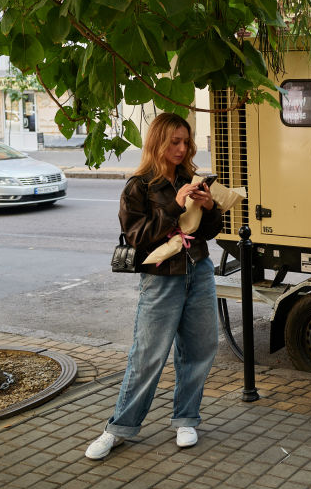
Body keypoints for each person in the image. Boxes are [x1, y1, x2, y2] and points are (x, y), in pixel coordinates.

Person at [85, 112, 222, 460]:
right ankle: (118, 428)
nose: (182, 147)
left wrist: (210, 208)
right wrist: (174, 209)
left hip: (199, 271)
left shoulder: (193, 178)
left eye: (185, 141)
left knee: (200, 349)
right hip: (161, 279)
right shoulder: (140, 185)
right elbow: (137, 237)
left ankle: (186, 418)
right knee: (147, 357)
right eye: (174, 141)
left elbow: (207, 233)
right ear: (158, 143)